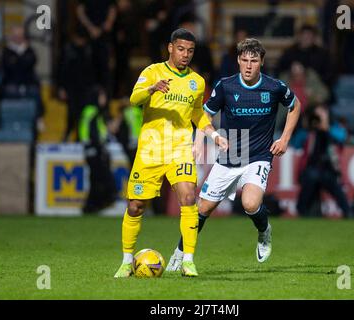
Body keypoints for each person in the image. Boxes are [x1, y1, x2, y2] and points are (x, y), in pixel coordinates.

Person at [166, 38, 301, 271]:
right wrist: (198, 141)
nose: (249, 66)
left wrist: (285, 138)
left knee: (250, 203)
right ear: (238, 60)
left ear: (262, 62)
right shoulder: (226, 86)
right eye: (245, 60)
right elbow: (204, 115)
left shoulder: (274, 87)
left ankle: (264, 231)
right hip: (230, 158)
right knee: (202, 210)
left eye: (254, 61)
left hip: (259, 155)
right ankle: (180, 252)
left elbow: (295, 105)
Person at [113, 28, 228, 278]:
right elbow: (134, 98)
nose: (185, 55)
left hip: (179, 150)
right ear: (170, 48)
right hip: (151, 151)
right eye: (180, 49)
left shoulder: (196, 81)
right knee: (135, 206)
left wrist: (214, 134)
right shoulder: (152, 71)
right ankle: (125, 261)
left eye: (189, 51)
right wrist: (152, 89)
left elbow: (198, 113)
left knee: (188, 198)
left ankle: (188, 261)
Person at [296, 105, 352, 218]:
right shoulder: (309, 131)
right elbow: (295, 143)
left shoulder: (334, 128)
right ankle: (302, 209)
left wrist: (326, 127)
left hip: (329, 169)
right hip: (310, 168)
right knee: (313, 176)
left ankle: (348, 212)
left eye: (322, 114)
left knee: (332, 184)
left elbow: (342, 138)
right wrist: (307, 126)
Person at [79, 86, 117, 214]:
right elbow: (93, 132)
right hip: (95, 150)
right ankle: (105, 200)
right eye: (102, 96)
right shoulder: (94, 111)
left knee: (95, 179)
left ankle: (90, 207)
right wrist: (100, 147)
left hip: (90, 150)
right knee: (106, 179)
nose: (104, 99)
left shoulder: (89, 111)